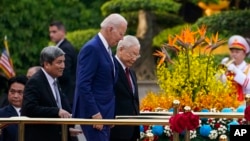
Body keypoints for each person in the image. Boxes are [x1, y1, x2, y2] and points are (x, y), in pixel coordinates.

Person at [72, 13, 127, 141]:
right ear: (110, 29)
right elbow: (83, 84)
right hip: (95, 115)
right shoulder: (92, 48)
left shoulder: (106, 49)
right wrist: (95, 113)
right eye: (121, 34)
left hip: (104, 113)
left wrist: (110, 115)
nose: (122, 39)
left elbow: (108, 84)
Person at [21, 46, 80, 141]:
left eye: (63, 61)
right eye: (59, 62)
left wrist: (68, 126)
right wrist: (56, 111)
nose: (63, 66)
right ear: (47, 64)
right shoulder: (35, 81)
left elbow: (61, 104)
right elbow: (29, 108)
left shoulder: (54, 79)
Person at [110, 35, 141, 141]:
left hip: (133, 128)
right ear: (121, 49)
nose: (134, 59)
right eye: (132, 54)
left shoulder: (131, 72)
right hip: (116, 128)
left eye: (137, 55)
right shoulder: (111, 67)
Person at [49, 21, 77, 108]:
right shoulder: (62, 47)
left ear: (62, 32)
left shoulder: (65, 48)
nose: (51, 35)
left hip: (67, 94)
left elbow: (64, 73)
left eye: (54, 32)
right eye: (50, 32)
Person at [220, 35, 250, 101]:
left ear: (244, 54)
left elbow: (248, 85)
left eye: (237, 52)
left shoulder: (248, 68)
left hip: (244, 103)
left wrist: (236, 71)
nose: (234, 54)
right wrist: (221, 69)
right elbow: (216, 82)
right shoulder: (227, 64)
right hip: (226, 102)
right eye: (232, 52)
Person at [0, 75, 28, 141]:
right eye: (12, 92)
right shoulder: (1, 114)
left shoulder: (34, 113)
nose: (15, 96)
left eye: (20, 92)